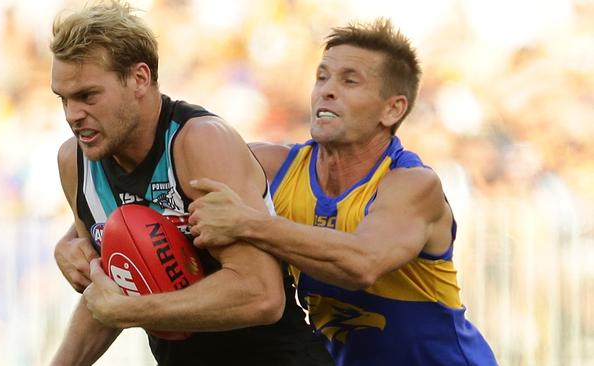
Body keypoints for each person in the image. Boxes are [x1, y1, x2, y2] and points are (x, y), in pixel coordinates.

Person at [187, 19, 498, 365]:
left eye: (350, 81)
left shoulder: (412, 184)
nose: (327, 90)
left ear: (392, 109)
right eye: (322, 77)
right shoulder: (271, 166)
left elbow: (361, 264)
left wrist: (247, 222)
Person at [48, 1, 332, 365]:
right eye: (64, 99)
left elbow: (261, 295)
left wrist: (132, 311)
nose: (73, 115)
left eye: (87, 96)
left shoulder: (199, 142)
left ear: (139, 78)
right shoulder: (74, 162)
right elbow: (106, 298)